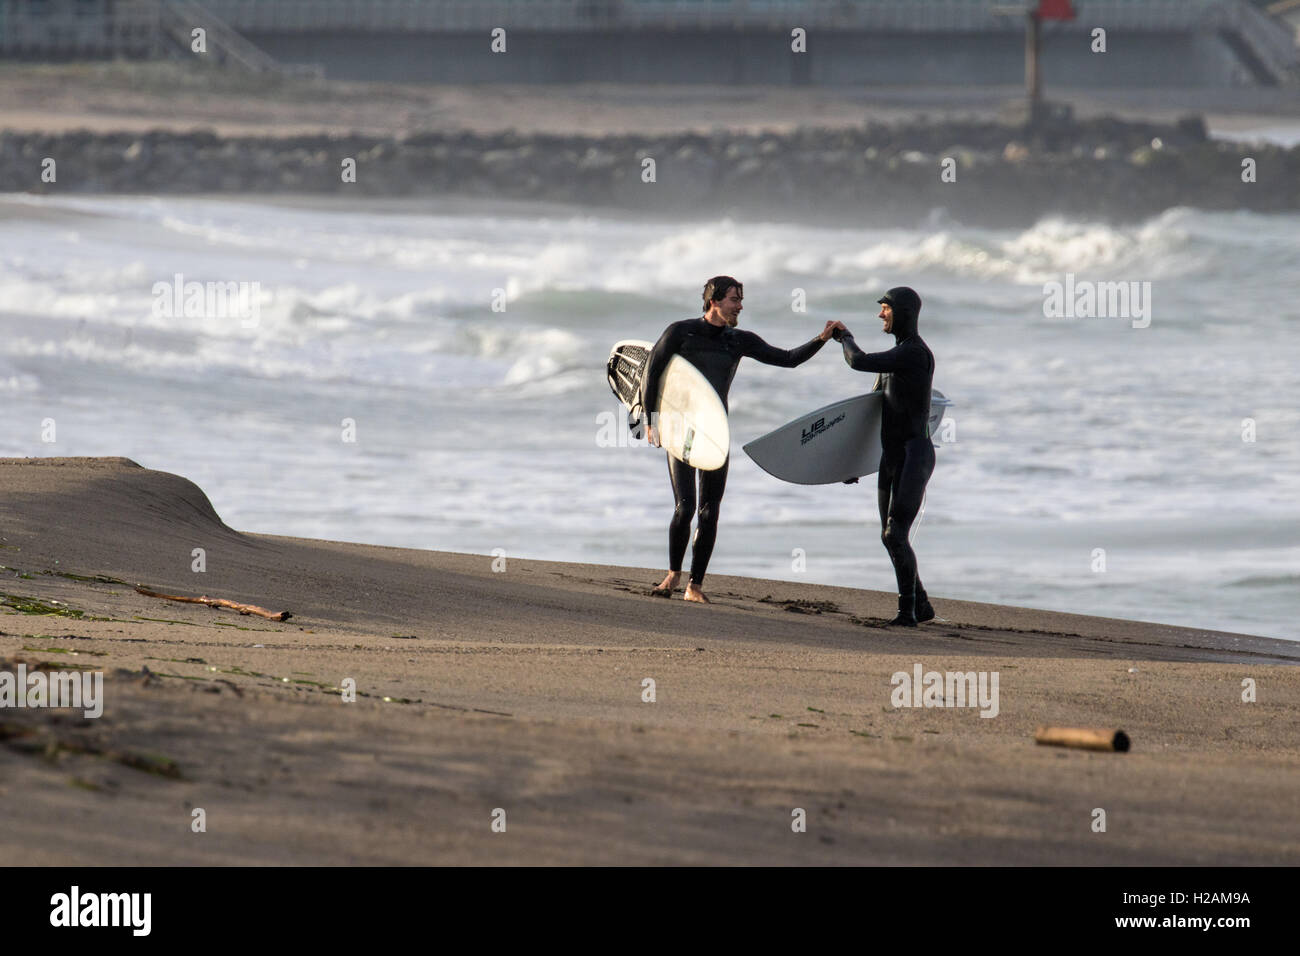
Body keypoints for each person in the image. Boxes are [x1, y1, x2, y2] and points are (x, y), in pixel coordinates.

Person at [641, 275, 835, 603]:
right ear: (714, 301)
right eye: (734, 299)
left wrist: (823, 338)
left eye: (741, 300)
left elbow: (788, 359)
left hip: (715, 432)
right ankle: (673, 575)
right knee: (685, 506)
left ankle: (695, 586)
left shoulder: (738, 340)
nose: (740, 306)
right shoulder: (680, 332)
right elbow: (652, 372)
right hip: (681, 430)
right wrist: (650, 423)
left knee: (710, 510)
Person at [823, 287, 936, 626]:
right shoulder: (894, 358)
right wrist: (854, 461)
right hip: (891, 456)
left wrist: (845, 337)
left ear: (901, 312)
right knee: (889, 535)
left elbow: (857, 360)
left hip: (914, 454)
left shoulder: (914, 354)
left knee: (894, 534)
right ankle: (922, 605)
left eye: (885, 308)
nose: (880, 315)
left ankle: (907, 613)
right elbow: (871, 413)